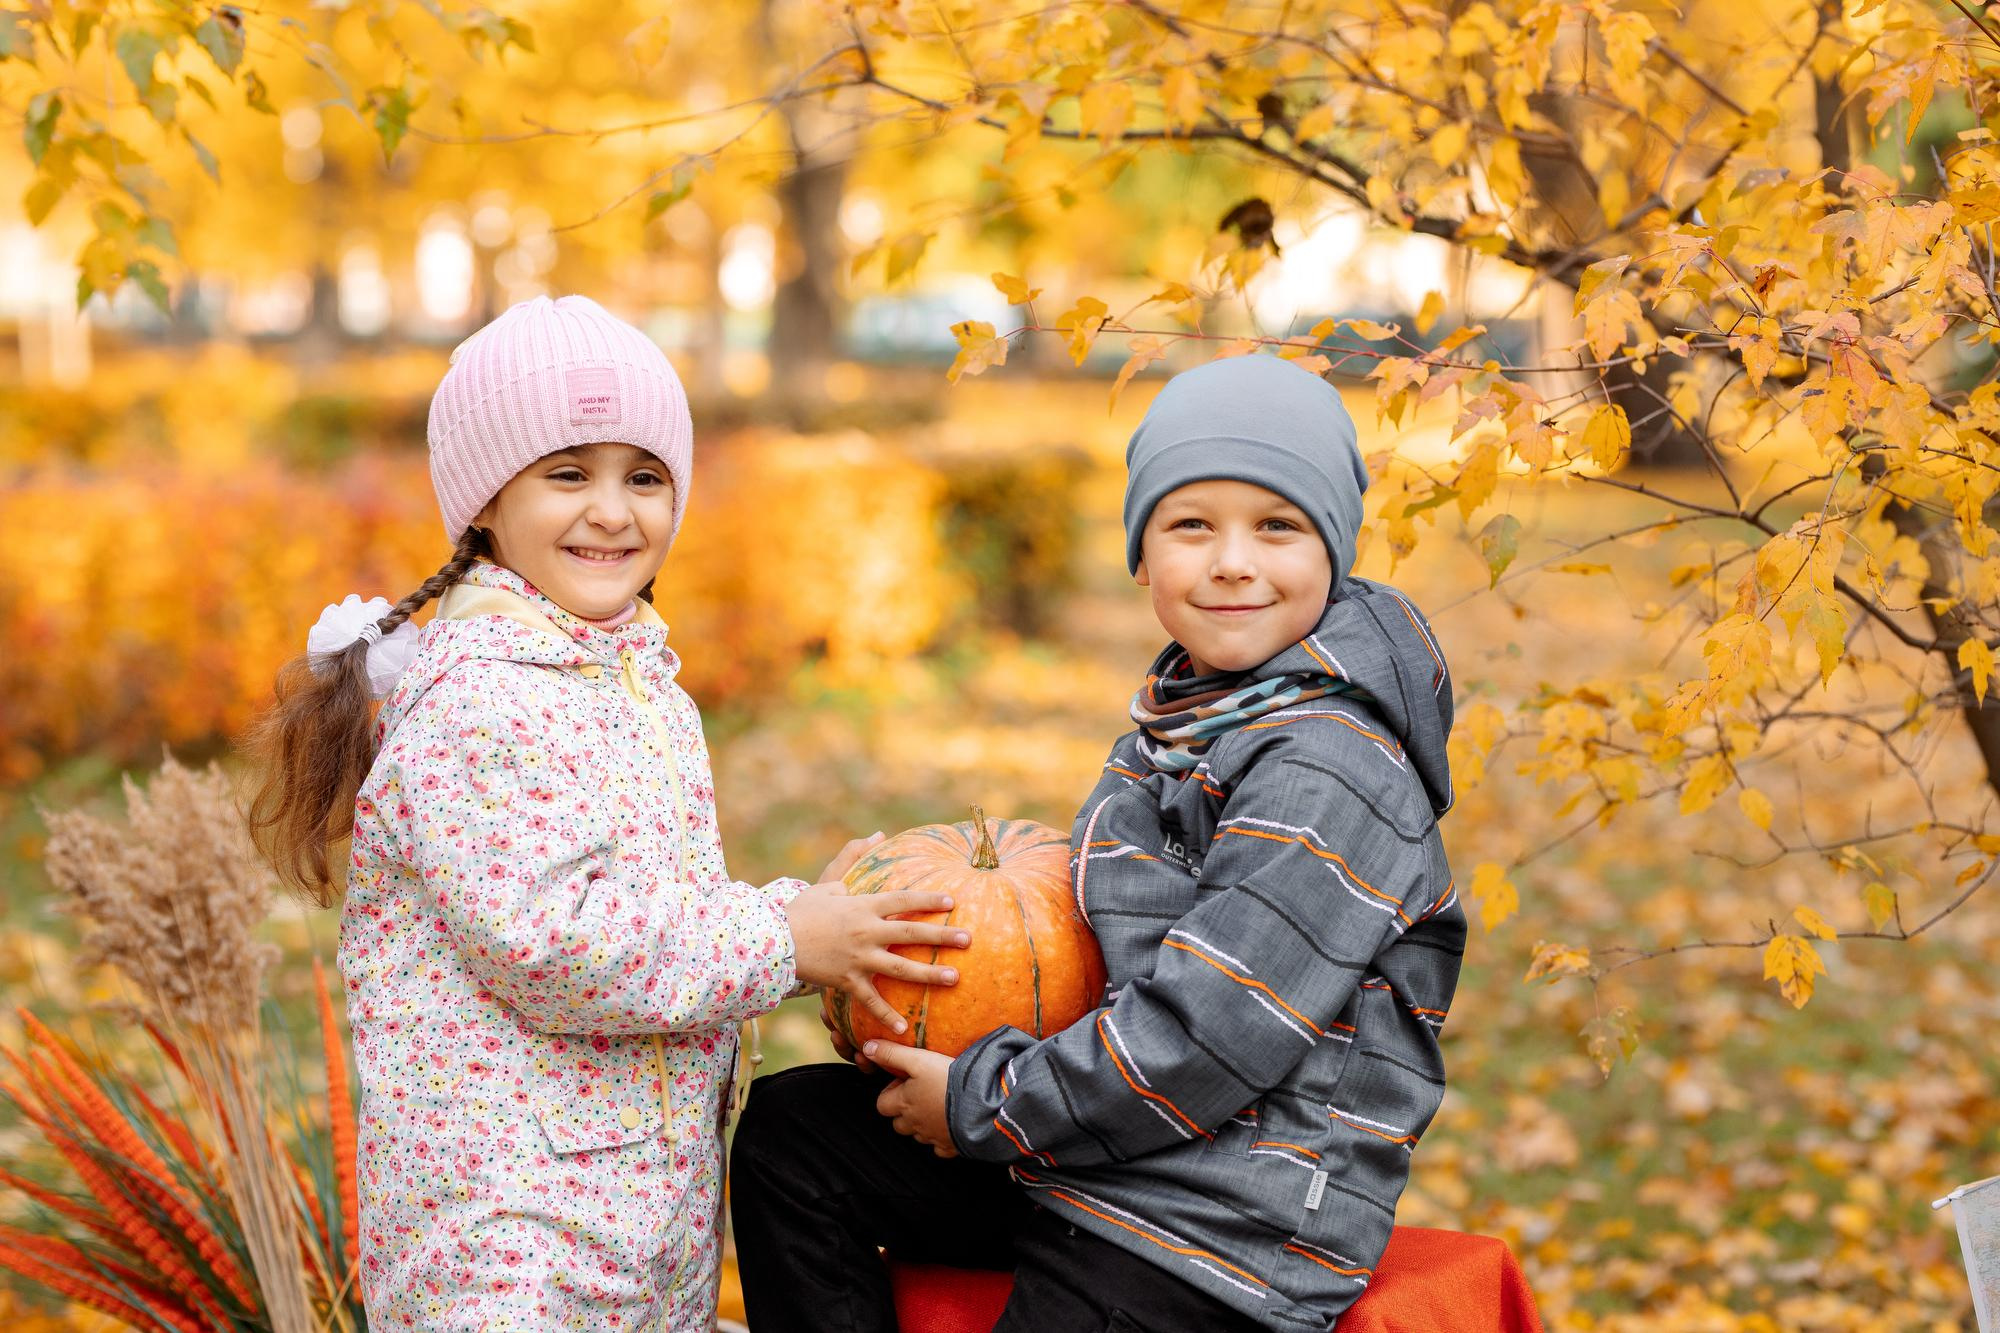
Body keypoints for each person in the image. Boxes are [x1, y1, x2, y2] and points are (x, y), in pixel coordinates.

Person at [243, 295, 967, 1332]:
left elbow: (644, 906)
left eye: (645, 476)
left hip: (630, 1208)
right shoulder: (484, 700)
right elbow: (554, 943)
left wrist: (798, 910)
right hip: (508, 1230)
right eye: (568, 473)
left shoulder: (623, 673)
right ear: (486, 503)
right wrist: (783, 938)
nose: (614, 511)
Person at [732, 353, 1463, 1333]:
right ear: (1141, 551)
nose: (1232, 559)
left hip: (1224, 1218)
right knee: (799, 1134)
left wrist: (984, 1100)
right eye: (1190, 524)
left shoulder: (1325, 768)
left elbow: (1207, 1038)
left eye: (1276, 526)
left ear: (1333, 547)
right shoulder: (1183, 714)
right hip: (1100, 1147)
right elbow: (1075, 947)